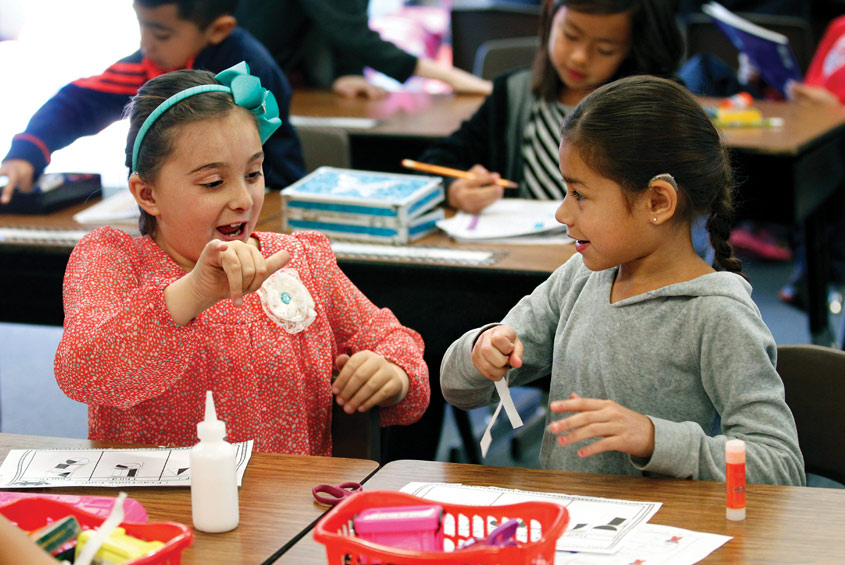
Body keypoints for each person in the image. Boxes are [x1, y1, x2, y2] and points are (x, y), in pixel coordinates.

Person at [440, 75, 805, 485]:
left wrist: (653, 439)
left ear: (657, 202)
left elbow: (780, 468)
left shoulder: (717, 315)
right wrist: (480, 351)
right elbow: (459, 390)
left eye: (579, 194)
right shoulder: (579, 277)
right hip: (574, 531)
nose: (562, 213)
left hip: (669, 540)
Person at [53, 64, 429, 455]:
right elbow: (85, 372)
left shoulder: (298, 260)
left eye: (253, 173)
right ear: (147, 194)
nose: (243, 199)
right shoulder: (113, 261)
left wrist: (392, 373)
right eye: (213, 183)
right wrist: (195, 291)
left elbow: (390, 338)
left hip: (288, 508)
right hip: (161, 509)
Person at [0, 0, 305, 205]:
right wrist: (28, 151)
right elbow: (78, 102)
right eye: (142, 27)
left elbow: (265, 173)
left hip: (262, 204)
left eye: (160, 33)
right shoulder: (150, 64)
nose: (146, 44)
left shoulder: (252, 73)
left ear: (217, 30)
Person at [417, 0, 683, 214]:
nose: (579, 57)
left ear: (631, 49)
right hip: (526, 255)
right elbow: (439, 160)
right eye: (570, 35)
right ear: (550, 16)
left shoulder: (647, 110)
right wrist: (455, 189)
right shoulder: (512, 94)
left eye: (604, 49)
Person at [235, 0, 492, 99]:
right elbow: (353, 34)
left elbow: (343, 18)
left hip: (266, 75)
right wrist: (450, 77)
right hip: (241, 77)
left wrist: (348, 72)